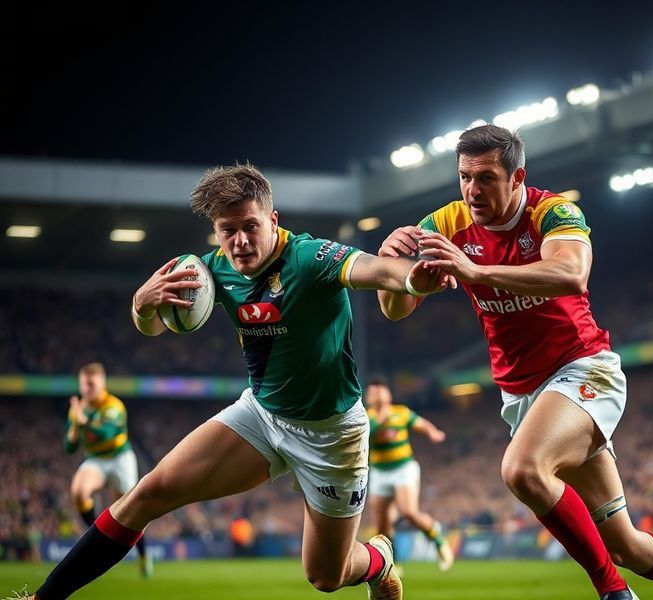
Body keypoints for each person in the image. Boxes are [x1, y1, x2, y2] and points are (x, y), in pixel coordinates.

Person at [26, 163, 453, 600]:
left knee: (326, 576)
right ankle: (43, 598)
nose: (240, 241)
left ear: (273, 220)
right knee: (147, 493)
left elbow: (374, 270)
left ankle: (378, 559)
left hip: (332, 434)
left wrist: (410, 278)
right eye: (227, 230)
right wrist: (141, 304)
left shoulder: (309, 258)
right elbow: (155, 326)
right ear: (215, 231)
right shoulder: (210, 269)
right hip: (262, 416)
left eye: (250, 226)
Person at [376, 124, 653, 600]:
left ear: (517, 177)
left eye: (486, 177)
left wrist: (475, 271)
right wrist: (406, 282)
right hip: (523, 396)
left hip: (583, 371)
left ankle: (615, 594)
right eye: (465, 177)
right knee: (626, 544)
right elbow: (394, 310)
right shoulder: (445, 223)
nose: (473, 189)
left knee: (523, 470)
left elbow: (572, 273)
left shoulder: (553, 211)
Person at [64, 362, 152, 578]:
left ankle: (143, 554)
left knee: (131, 511)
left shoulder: (113, 405)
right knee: (78, 491)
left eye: (92, 384)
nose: (88, 388)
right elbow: (70, 447)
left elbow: (107, 433)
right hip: (96, 460)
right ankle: (95, 539)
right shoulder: (77, 411)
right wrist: (75, 429)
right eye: (85, 384)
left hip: (120, 459)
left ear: (102, 383)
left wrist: (84, 422)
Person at [365, 376, 453, 571]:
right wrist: (380, 420)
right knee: (381, 526)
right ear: (368, 397)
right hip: (380, 472)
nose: (377, 395)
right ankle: (393, 565)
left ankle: (439, 541)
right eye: (373, 392)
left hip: (403, 469)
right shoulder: (366, 418)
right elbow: (366, 435)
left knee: (408, 511)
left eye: (380, 390)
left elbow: (421, 424)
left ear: (388, 394)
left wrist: (433, 433)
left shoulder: (401, 413)